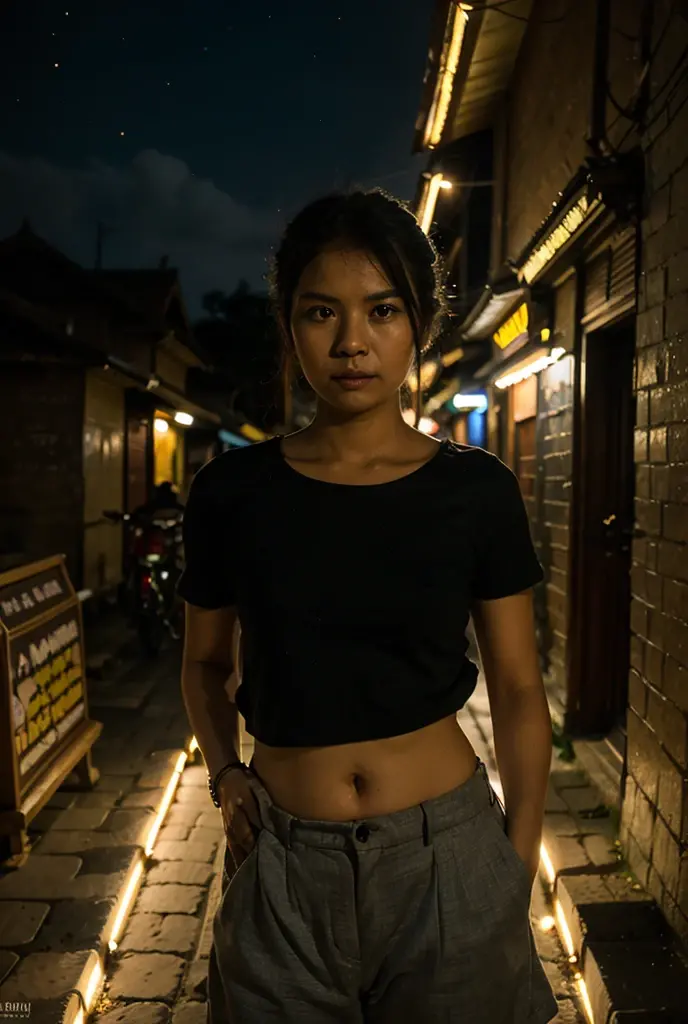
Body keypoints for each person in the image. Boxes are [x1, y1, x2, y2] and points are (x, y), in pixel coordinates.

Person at [178, 189, 558, 1024]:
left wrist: (514, 865)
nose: (352, 342)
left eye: (381, 310)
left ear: (417, 323)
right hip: (280, 869)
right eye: (322, 313)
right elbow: (204, 665)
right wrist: (224, 772)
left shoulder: (476, 491)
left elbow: (522, 691)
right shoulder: (233, 493)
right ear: (290, 326)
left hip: (447, 860)